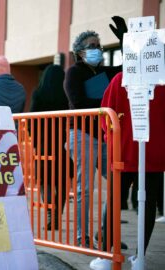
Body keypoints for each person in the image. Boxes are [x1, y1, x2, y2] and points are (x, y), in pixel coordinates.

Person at [90, 71, 165, 270]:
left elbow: (106, 112)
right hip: (155, 150)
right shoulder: (161, 78)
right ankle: (140, 258)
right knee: (148, 204)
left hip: (123, 149)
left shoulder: (121, 78)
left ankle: (107, 255)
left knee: (114, 201)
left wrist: (110, 138)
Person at [64, 16, 126, 247]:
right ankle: (82, 236)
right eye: (92, 47)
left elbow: (128, 66)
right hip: (82, 134)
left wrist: (124, 40)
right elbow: (77, 102)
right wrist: (105, 104)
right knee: (85, 188)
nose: (97, 50)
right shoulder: (74, 73)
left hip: (103, 136)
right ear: (80, 52)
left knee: (118, 184)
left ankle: (106, 232)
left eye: (99, 46)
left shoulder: (105, 72)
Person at [29, 64, 72, 230]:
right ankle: (56, 214)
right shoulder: (65, 95)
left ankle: (49, 213)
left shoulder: (38, 93)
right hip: (63, 143)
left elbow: (32, 119)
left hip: (43, 144)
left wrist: (35, 140)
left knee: (44, 180)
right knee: (61, 180)